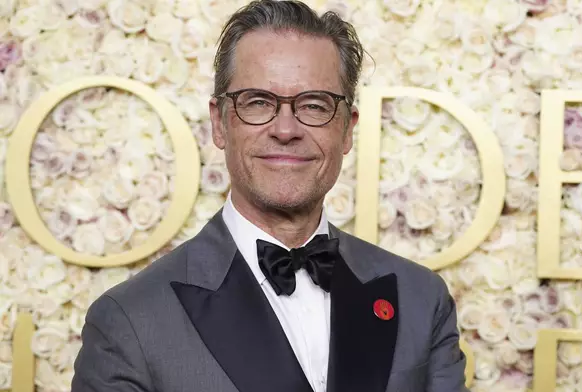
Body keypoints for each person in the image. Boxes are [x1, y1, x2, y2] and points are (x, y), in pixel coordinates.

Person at [71, 1, 469, 391]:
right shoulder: (129, 320)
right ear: (220, 123)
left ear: (347, 130)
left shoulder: (420, 297)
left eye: (314, 105)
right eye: (258, 103)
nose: (285, 129)